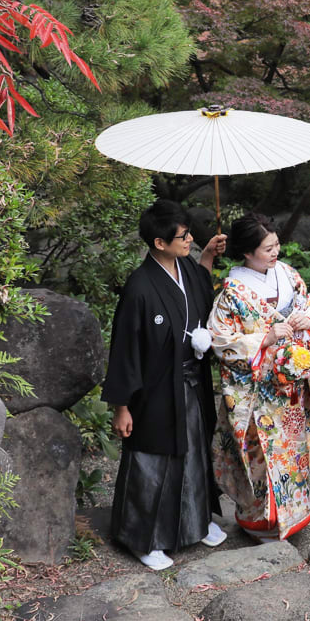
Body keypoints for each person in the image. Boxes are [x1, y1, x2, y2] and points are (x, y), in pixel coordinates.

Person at [101, 198, 229, 570]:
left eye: (189, 234)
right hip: (154, 389)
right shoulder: (140, 287)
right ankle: (145, 539)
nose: (189, 239)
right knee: (153, 461)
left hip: (191, 381)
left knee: (193, 455)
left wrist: (206, 256)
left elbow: (200, 297)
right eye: (183, 236)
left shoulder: (186, 266)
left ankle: (196, 522)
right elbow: (124, 348)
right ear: (159, 243)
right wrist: (122, 407)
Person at [208, 212, 310, 541]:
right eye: (267, 249)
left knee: (293, 448)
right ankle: (260, 521)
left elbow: (309, 301)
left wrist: (306, 318)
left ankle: (295, 513)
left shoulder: (288, 274)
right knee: (259, 455)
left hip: (289, 383)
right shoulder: (232, 292)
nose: (275, 253)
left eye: (276, 246)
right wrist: (266, 338)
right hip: (257, 390)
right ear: (247, 252)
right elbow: (221, 341)